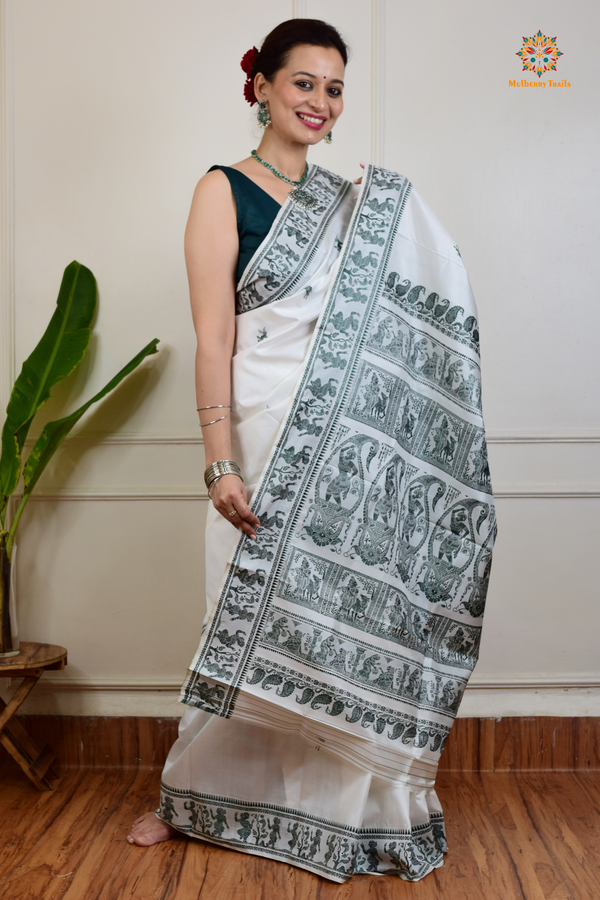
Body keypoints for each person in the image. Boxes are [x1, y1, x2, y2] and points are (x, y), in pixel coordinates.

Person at [128, 19, 496, 883]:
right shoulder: (222, 190)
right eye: (303, 83)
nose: (319, 103)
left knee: (339, 621)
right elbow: (213, 336)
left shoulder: (354, 204)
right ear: (260, 86)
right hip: (260, 437)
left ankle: (333, 806)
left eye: (334, 89)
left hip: (348, 459)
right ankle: (192, 794)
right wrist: (220, 460)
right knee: (243, 619)